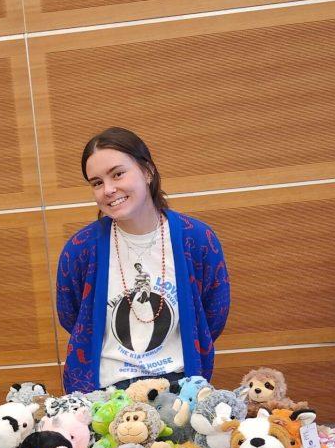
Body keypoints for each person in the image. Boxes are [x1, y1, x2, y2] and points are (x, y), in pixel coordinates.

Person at [56, 127, 230, 394]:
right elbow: (71, 316)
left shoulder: (197, 239)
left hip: (180, 388)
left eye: (117, 174)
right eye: (97, 182)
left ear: (147, 171)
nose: (109, 190)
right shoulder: (81, 248)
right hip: (104, 392)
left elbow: (212, 316)